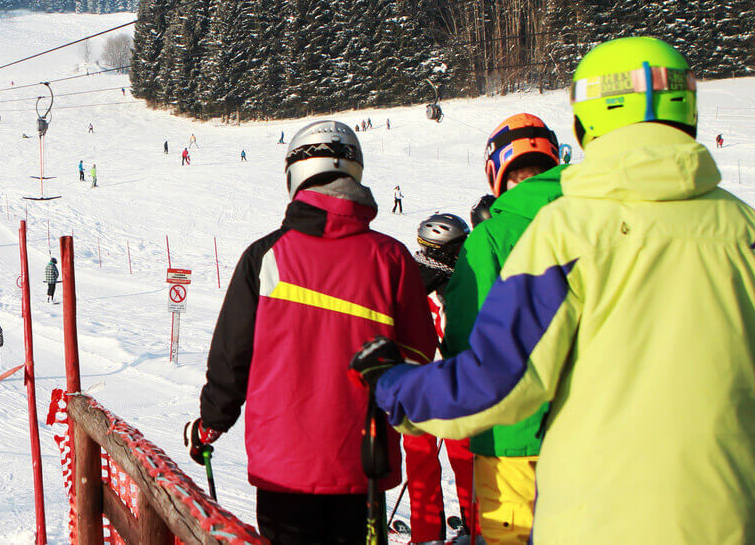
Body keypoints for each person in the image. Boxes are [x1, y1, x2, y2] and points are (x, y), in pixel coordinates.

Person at [354, 37, 755, 544]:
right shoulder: (744, 229)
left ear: (586, 125)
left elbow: (494, 375)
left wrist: (393, 388)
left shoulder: (566, 232)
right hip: (728, 514)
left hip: (593, 513)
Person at [191, 120, 435, 543]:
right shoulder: (392, 258)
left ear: (295, 177)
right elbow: (418, 357)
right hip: (363, 461)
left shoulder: (266, 256)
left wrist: (210, 424)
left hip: (283, 469)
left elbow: (233, 356)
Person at [431, 113, 565, 544]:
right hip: (598, 437)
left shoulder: (491, 238)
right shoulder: (598, 219)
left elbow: (469, 347)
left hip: (513, 442)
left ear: (497, 171)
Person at [407, 213, 479, 544]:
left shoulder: (407, 278)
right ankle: (477, 527)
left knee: (421, 462)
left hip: (414, 389)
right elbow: (457, 337)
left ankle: (426, 534)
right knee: (466, 461)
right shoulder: (452, 286)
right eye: (460, 245)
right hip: (453, 388)